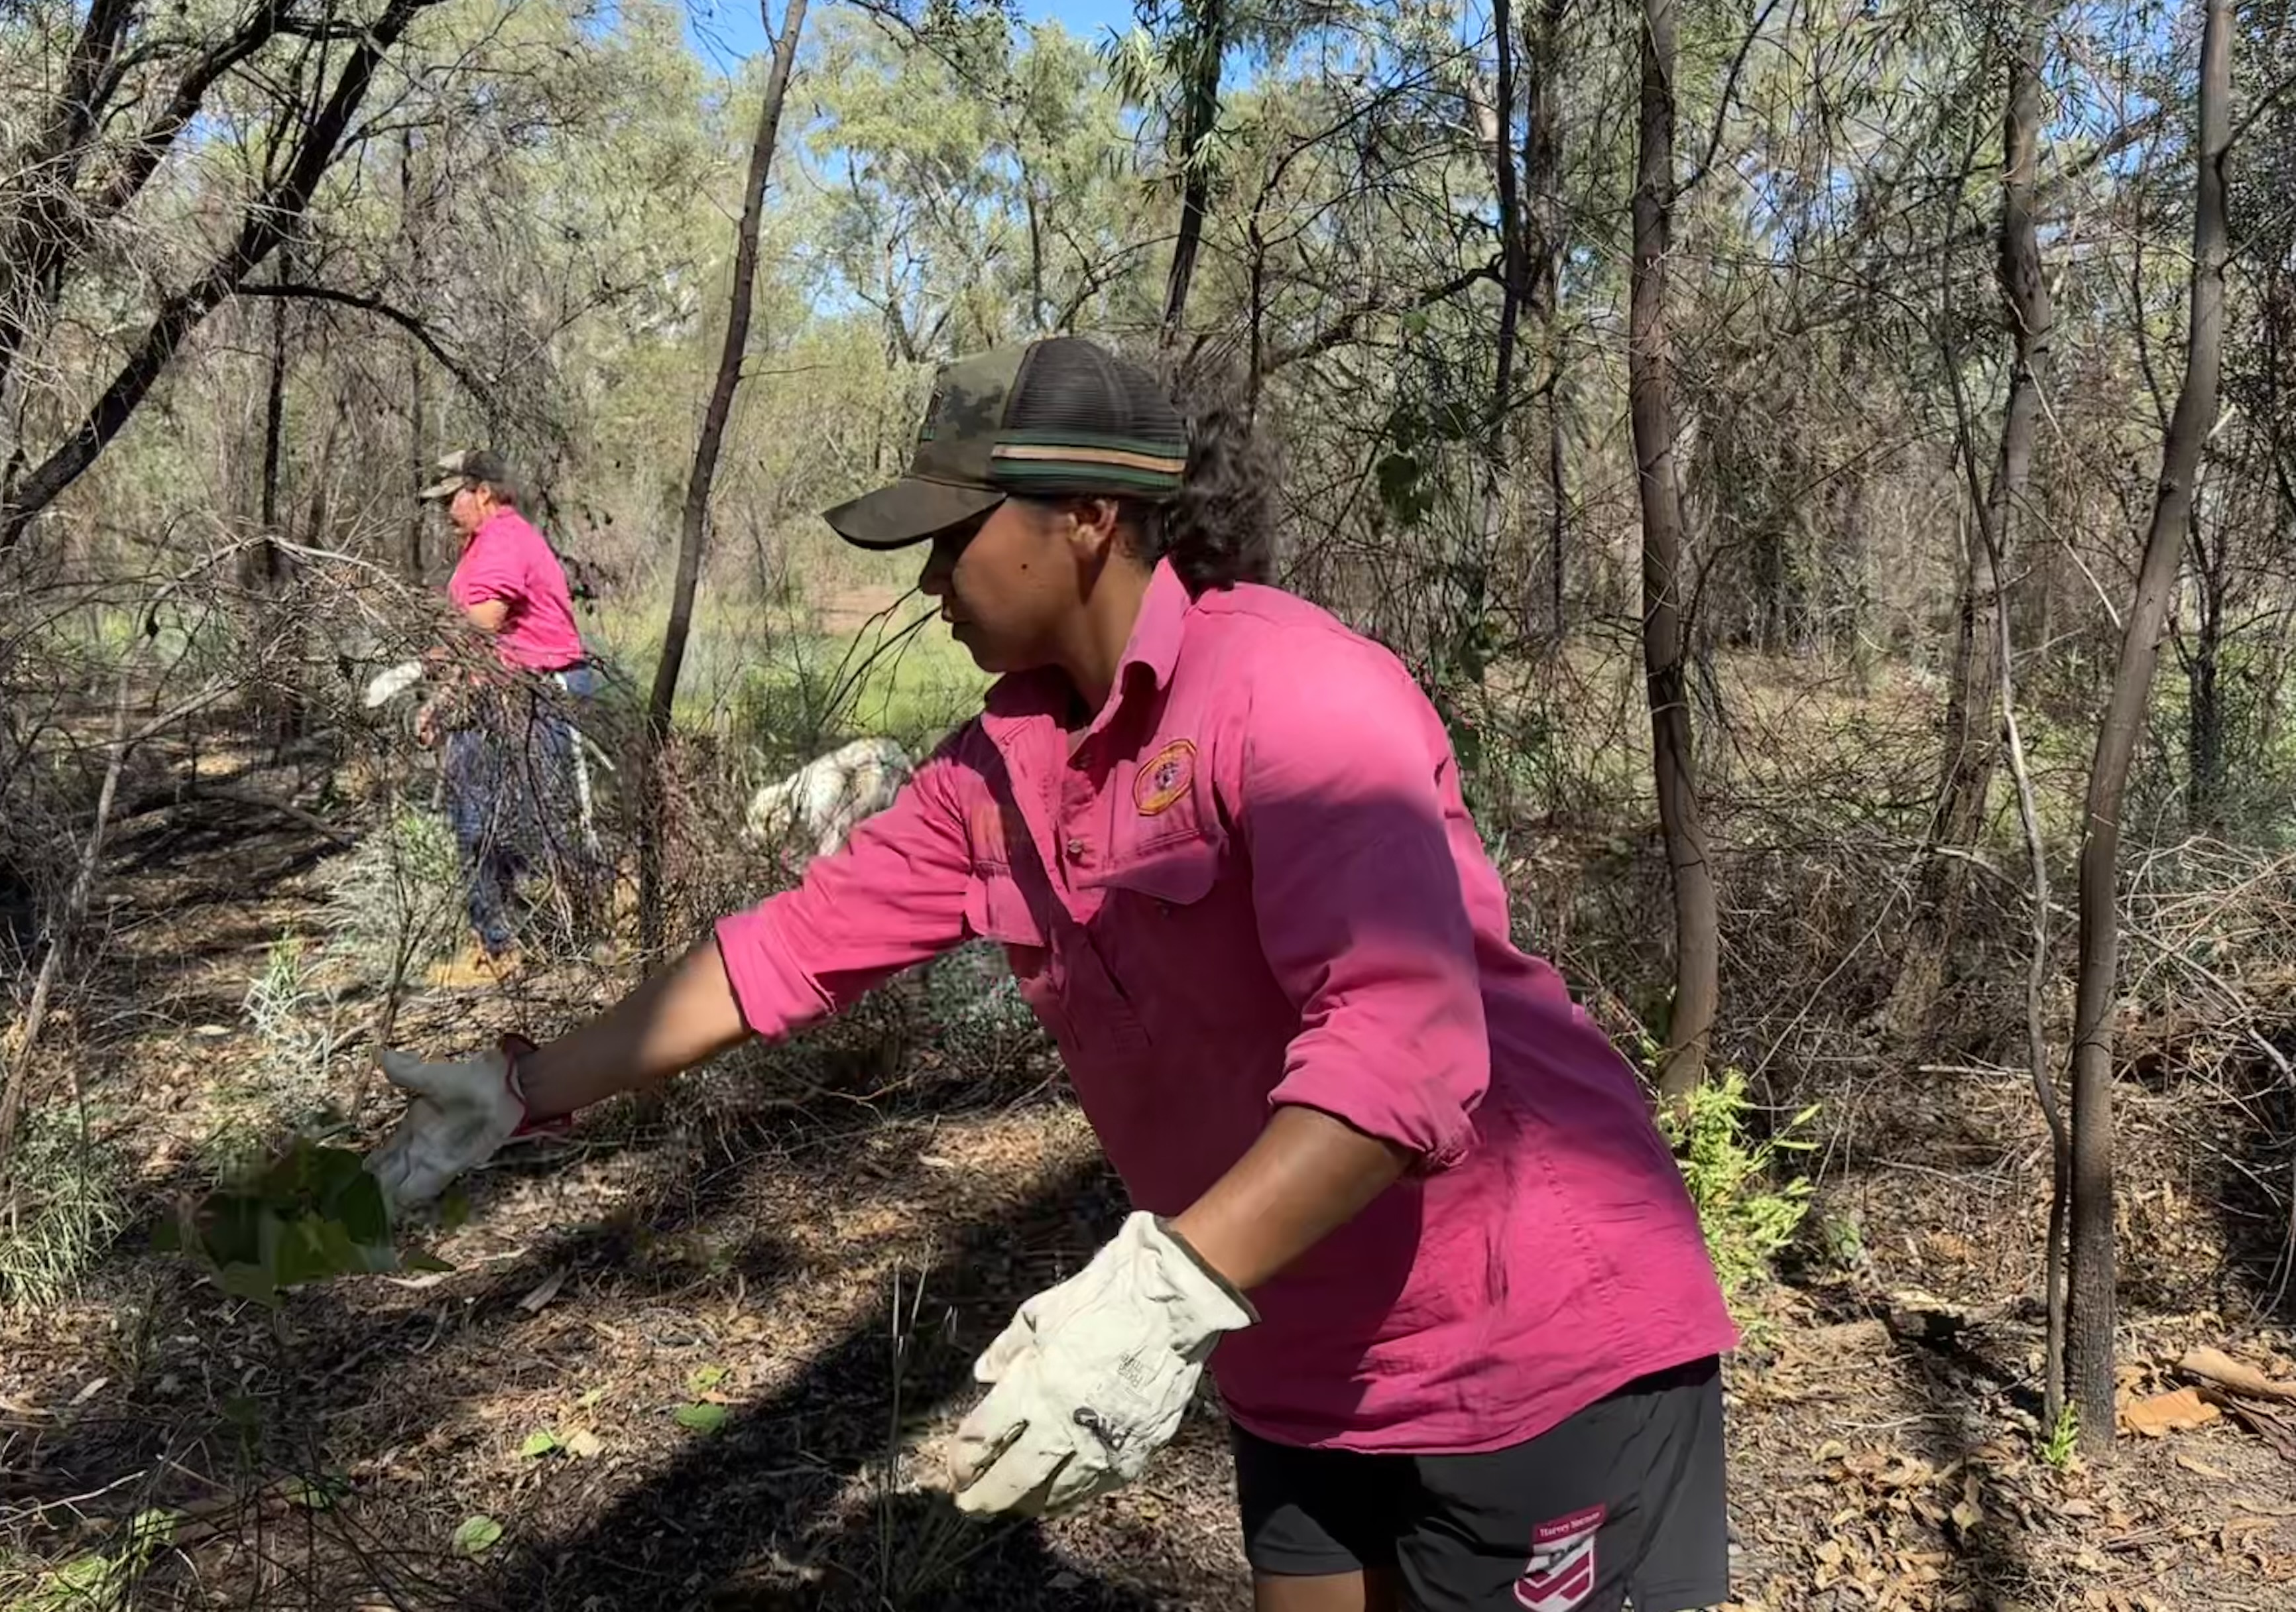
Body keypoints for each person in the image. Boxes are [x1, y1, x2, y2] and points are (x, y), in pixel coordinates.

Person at [369, 343, 1736, 1612]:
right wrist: (519, 1091)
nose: (927, 582)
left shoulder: (1297, 699)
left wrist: (1168, 1287)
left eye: (956, 541)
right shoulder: (1000, 770)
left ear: (1085, 519)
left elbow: (1408, 1052)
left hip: (1535, 1340)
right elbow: (786, 949)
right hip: (1291, 1350)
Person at [414, 447, 595, 965]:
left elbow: (484, 624)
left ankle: (569, 944)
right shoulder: (479, 545)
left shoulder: (504, 539)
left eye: (452, 499)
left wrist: (432, 666)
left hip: (541, 692)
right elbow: (482, 647)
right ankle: (495, 943)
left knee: (540, 822)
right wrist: (443, 703)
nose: (445, 512)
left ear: (484, 493)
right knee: (472, 819)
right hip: (492, 691)